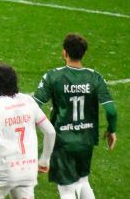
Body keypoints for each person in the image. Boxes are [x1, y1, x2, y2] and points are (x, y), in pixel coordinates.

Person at [33, 34, 118, 199]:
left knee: (66, 190)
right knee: (82, 181)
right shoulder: (95, 77)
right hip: (86, 139)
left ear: (64, 52)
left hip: (62, 140)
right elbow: (111, 111)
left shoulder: (53, 76)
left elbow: (34, 105)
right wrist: (111, 130)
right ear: (83, 53)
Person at [0, 63, 56, 199]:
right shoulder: (28, 101)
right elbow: (50, 132)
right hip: (28, 171)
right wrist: (44, 160)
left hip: (3, 172)